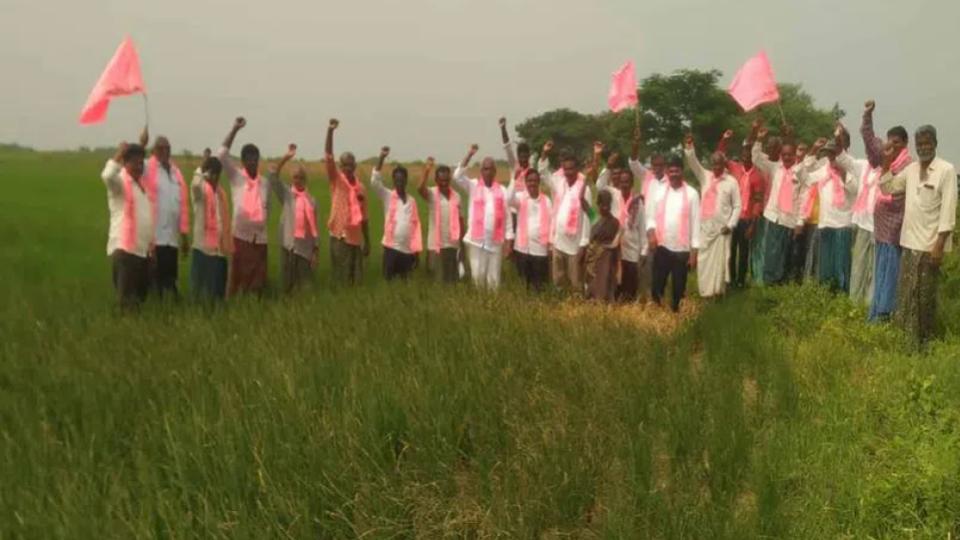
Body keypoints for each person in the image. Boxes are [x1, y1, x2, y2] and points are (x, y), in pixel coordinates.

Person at [880, 125, 957, 346]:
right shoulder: (911, 170)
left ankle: (925, 342)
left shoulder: (946, 170)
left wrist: (939, 244)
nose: (924, 147)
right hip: (909, 242)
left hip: (929, 246)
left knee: (924, 297)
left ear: (935, 144)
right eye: (920, 144)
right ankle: (906, 339)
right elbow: (888, 188)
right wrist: (886, 162)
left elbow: (948, 209)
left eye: (927, 143)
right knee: (906, 293)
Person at [862, 100, 913, 321]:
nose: (893, 145)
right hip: (881, 230)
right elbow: (869, 138)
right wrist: (867, 115)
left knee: (889, 274)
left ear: (905, 143)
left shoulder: (906, 166)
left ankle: (884, 316)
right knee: (880, 274)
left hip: (894, 231)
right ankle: (876, 313)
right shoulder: (887, 159)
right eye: (890, 142)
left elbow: (894, 196)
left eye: (897, 142)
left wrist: (887, 163)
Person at [748, 120, 806, 285]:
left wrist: (800, 222)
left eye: (790, 155)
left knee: (787, 253)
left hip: (790, 220)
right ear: (781, 155)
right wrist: (758, 139)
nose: (787, 157)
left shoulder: (800, 171)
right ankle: (770, 282)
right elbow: (756, 157)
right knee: (772, 251)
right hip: (774, 217)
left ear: (795, 156)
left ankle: (784, 283)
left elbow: (803, 198)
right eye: (784, 155)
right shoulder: (775, 168)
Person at [684, 134, 741, 299]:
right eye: (713, 164)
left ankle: (718, 293)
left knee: (720, 262)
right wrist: (689, 147)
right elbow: (693, 164)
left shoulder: (731, 182)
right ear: (711, 164)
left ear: (724, 164)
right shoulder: (705, 176)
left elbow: (737, 206)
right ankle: (705, 293)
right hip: (705, 227)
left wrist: (730, 225)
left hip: (722, 229)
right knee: (703, 260)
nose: (716, 167)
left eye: (719, 164)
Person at [218, 117, 270, 296]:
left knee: (257, 283)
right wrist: (235, 129)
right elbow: (222, 155)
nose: (252, 162)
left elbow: (266, 208)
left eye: (255, 159)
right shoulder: (237, 178)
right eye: (248, 159)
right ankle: (233, 309)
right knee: (236, 280)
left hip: (260, 240)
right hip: (240, 238)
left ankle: (253, 310)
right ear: (242, 161)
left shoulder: (264, 183)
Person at [799, 138, 858, 292]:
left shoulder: (850, 170)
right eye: (828, 155)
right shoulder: (823, 172)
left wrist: (843, 173)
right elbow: (803, 176)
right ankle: (826, 291)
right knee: (825, 263)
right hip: (825, 223)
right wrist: (813, 150)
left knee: (841, 264)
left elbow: (855, 190)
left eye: (833, 154)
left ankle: (841, 292)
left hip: (843, 224)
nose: (831, 158)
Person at [100, 141, 154, 310]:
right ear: (125, 162)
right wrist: (119, 153)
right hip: (126, 251)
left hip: (142, 252)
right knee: (127, 302)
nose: (139, 167)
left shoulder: (142, 186)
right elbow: (108, 175)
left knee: (139, 301)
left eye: (141, 163)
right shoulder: (120, 184)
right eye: (135, 162)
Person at [646, 155, 701, 312]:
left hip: (682, 250)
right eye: (671, 171)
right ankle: (657, 315)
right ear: (667, 172)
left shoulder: (692, 194)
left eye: (677, 171)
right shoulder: (659, 192)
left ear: (682, 171)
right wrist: (651, 235)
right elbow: (650, 217)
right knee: (657, 285)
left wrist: (694, 252)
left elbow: (696, 224)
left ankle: (674, 316)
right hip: (662, 246)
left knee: (678, 288)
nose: (674, 174)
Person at [454, 144, 512, 290]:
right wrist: (469, 154)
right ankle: (479, 305)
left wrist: (509, 239)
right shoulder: (473, 186)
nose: (488, 171)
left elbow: (507, 216)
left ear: (495, 171)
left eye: (491, 169)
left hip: (495, 242)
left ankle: (492, 306)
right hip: (476, 241)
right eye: (485, 169)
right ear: (481, 171)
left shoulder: (502, 190)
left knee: (494, 280)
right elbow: (457, 176)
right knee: (478, 277)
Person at [140, 128, 189, 297]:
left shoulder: (176, 173)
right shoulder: (148, 167)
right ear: (153, 151)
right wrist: (141, 144)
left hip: (172, 238)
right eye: (160, 148)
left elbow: (182, 205)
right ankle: (156, 305)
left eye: (167, 148)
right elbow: (135, 161)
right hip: (155, 236)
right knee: (154, 277)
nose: (165, 151)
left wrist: (184, 235)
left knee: (170, 276)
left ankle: (169, 303)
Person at [835, 124, 880, 304]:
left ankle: (870, 303)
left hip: (878, 227)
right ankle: (854, 302)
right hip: (862, 224)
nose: (872, 153)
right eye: (870, 150)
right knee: (858, 265)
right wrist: (839, 137)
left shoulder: (887, 170)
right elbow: (841, 157)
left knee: (873, 268)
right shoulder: (862, 165)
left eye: (876, 150)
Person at [539, 144, 593, 295]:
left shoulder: (584, 189)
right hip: (558, 242)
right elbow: (543, 173)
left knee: (576, 282)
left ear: (577, 169)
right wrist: (544, 153)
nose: (568, 172)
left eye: (571, 169)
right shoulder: (559, 183)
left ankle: (576, 307)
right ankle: (560, 306)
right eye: (566, 169)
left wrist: (584, 243)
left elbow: (588, 217)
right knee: (558, 280)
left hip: (575, 246)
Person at [597, 151, 648, 302]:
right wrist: (608, 166)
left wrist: (643, 251)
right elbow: (600, 186)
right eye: (622, 181)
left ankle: (628, 317)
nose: (624, 184)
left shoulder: (638, 203)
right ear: (618, 182)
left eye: (627, 181)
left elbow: (642, 228)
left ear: (632, 183)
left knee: (629, 289)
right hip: (614, 251)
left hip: (631, 252)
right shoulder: (613, 195)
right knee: (614, 288)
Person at [324, 119, 370, 285]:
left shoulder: (361, 188)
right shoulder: (337, 181)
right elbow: (328, 156)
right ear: (340, 166)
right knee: (341, 279)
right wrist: (330, 131)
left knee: (356, 280)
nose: (348, 168)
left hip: (356, 239)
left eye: (351, 165)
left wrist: (368, 241)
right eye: (344, 165)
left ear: (355, 165)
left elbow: (364, 217)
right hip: (340, 237)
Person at [269, 144, 320, 292]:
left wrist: (315, 252)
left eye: (301, 177)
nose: (298, 180)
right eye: (295, 177)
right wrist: (286, 157)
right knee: (287, 286)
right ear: (292, 178)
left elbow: (314, 229)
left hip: (305, 249)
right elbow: (273, 178)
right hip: (288, 246)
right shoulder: (287, 194)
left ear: (305, 179)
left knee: (304, 287)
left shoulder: (312, 201)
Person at [719, 130, 764, 289]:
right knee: (730, 250)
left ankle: (740, 281)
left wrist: (753, 224)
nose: (745, 157)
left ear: (753, 156)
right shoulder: (734, 168)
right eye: (743, 154)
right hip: (732, 217)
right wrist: (724, 140)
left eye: (748, 154)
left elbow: (758, 201)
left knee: (744, 252)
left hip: (746, 219)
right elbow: (720, 156)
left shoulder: (758, 176)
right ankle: (729, 279)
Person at [371, 146, 422, 280]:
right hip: (391, 248)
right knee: (389, 283)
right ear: (393, 180)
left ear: (406, 180)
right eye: (397, 180)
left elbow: (415, 226)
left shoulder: (412, 201)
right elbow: (375, 182)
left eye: (402, 179)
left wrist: (416, 251)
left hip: (408, 250)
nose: (399, 182)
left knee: (405, 284)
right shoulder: (387, 195)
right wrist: (381, 157)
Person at [189, 156, 232, 301]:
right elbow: (195, 185)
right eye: (211, 173)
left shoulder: (221, 194)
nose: (213, 177)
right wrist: (201, 170)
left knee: (217, 295)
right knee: (200, 293)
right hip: (203, 249)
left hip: (219, 251)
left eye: (216, 174)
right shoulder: (200, 193)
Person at [417, 157, 464, 283]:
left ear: (450, 179)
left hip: (453, 245)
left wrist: (462, 247)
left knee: (452, 281)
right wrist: (427, 170)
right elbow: (420, 189)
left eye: (447, 180)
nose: (444, 183)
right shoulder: (432, 193)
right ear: (436, 180)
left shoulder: (457, 196)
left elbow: (461, 222)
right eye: (441, 180)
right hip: (436, 246)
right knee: (437, 281)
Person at [509, 168, 553, 291]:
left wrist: (550, 247)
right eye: (529, 181)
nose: (532, 183)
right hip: (522, 249)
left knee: (539, 286)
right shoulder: (520, 198)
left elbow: (551, 225)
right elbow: (508, 199)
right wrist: (513, 179)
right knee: (523, 285)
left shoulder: (547, 201)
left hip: (540, 250)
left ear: (539, 182)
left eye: (535, 180)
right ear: (525, 182)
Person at [585, 190, 619, 302]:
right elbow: (581, 200)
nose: (605, 207)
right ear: (598, 204)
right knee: (592, 282)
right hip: (592, 257)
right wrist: (586, 180)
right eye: (602, 204)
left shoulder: (614, 222)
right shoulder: (594, 217)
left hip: (606, 258)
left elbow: (615, 243)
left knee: (605, 283)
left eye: (607, 204)